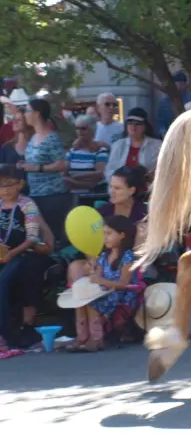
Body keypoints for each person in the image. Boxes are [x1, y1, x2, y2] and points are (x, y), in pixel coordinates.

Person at [63, 214, 140, 352]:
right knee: (81, 300)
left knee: (93, 302)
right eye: (104, 234)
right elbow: (97, 278)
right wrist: (91, 274)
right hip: (105, 292)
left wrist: (101, 281)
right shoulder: (104, 256)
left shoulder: (128, 256)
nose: (105, 238)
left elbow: (124, 284)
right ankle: (83, 335)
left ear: (122, 235)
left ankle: (96, 338)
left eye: (109, 234)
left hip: (121, 295)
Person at [0, 164, 46, 352]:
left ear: (20, 184)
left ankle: (6, 333)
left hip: (20, 253)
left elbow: (32, 237)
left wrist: (11, 253)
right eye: (0, 185)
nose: (4, 190)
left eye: (9, 185)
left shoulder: (27, 204)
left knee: (2, 282)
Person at [21, 99, 71, 245]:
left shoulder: (51, 137)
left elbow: (62, 164)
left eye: (27, 111)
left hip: (52, 195)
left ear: (37, 113)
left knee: (51, 237)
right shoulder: (33, 137)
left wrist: (38, 168)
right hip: (35, 194)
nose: (25, 114)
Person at [104, 108, 162, 182]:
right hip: (122, 191)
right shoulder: (118, 145)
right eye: (130, 123)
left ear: (145, 126)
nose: (133, 127)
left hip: (148, 189)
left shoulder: (157, 145)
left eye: (138, 124)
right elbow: (109, 170)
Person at [64, 115, 110, 191]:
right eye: (77, 128)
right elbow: (64, 174)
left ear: (92, 130)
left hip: (93, 195)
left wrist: (76, 178)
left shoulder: (100, 150)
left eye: (83, 129)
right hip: (73, 195)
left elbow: (101, 174)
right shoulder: (72, 151)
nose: (79, 131)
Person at [156, 71, 191, 139]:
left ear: (185, 84)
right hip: (169, 136)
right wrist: (163, 132)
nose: (179, 85)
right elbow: (160, 120)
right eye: (176, 83)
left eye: (181, 83)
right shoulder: (164, 102)